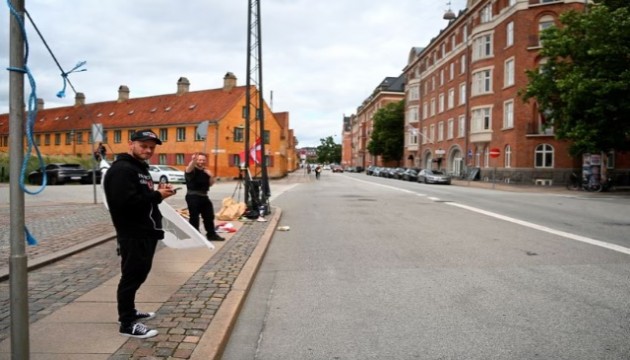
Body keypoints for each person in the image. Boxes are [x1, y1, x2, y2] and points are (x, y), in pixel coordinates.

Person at [103, 129, 177, 339]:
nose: (148, 150)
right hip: (133, 232)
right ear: (131, 144)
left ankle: (130, 310)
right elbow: (124, 203)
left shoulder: (139, 168)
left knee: (139, 274)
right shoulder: (122, 169)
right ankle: (127, 323)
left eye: (151, 147)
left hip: (145, 230)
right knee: (131, 276)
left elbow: (141, 196)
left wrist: (159, 194)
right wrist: (156, 195)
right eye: (143, 146)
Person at [185, 152, 224, 241]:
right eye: (199, 160)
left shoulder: (205, 171)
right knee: (194, 217)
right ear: (196, 160)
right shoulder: (191, 170)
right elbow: (189, 168)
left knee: (209, 216)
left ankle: (211, 235)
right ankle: (195, 236)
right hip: (193, 196)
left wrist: (211, 176)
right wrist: (193, 161)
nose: (201, 162)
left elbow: (210, 184)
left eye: (203, 160)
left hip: (204, 196)